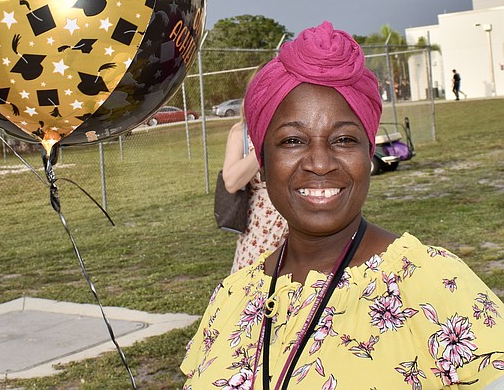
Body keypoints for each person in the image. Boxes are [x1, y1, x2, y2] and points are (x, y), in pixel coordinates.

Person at [182, 22, 504, 389]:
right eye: (291, 141)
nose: (320, 163)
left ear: (368, 154)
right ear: (263, 160)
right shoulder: (231, 300)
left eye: (344, 139)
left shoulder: (433, 285)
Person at [222, 115, 287, 273]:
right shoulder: (242, 131)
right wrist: (263, 143)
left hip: (304, 220)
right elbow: (231, 182)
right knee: (253, 284)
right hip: (263, 228)